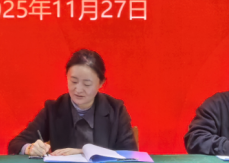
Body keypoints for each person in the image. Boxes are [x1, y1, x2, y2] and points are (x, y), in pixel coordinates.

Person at [8, 49, 137, 156]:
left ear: (101, 83)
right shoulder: (53, 110)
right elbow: (16, 144)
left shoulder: (116, 110)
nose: (78, 89)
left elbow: (130, 154)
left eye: (87, 84)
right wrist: (29, 148)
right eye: (73, 81)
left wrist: (84, 152)